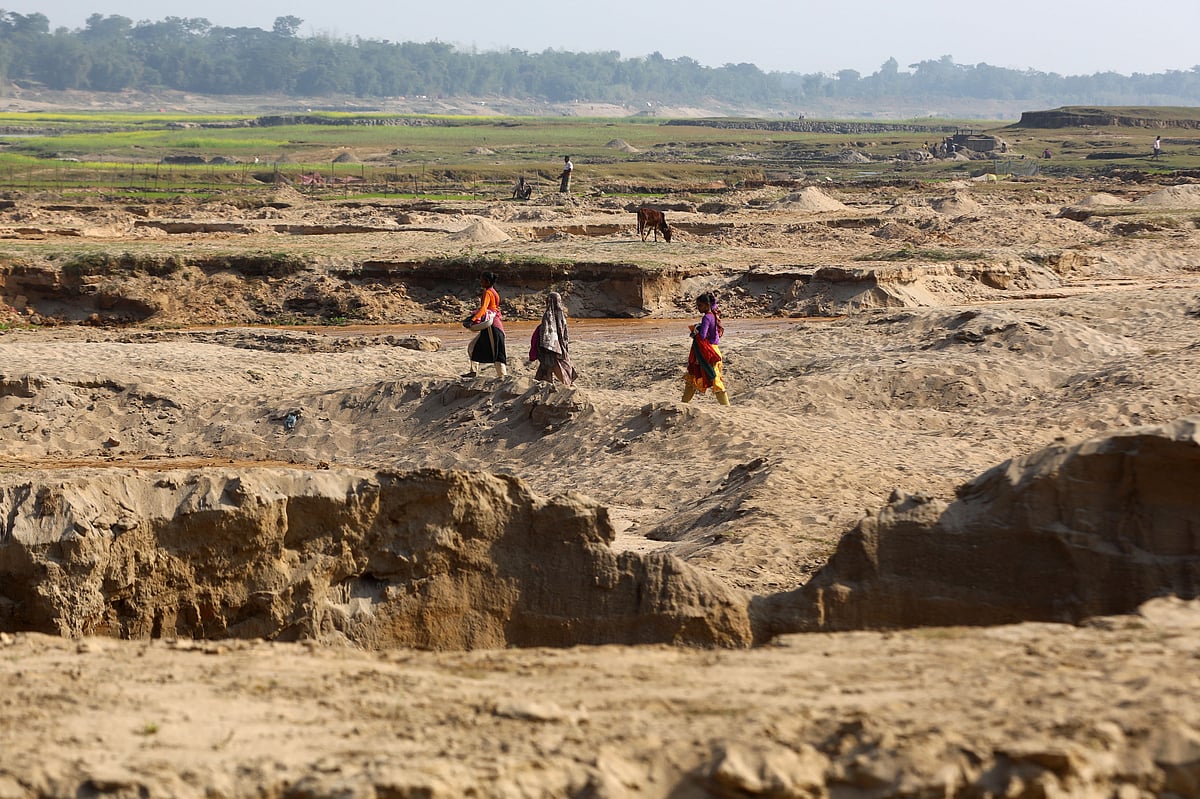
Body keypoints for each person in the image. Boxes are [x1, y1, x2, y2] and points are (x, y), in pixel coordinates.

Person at [682, 292, 729, 406]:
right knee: (696, 376)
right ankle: (683, 403)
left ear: (707, 305)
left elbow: (702, 335)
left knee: (711, 377)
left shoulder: (707, 317)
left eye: (700, 305)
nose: (698, 308)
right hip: (713, 349)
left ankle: (726, 406)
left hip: (708, 351)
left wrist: (695, 331)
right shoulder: (713, 315)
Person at [463, 271, 508, 378]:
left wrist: (472, 319)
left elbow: (483, 309)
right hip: (491, 325)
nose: (480, 282)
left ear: (487, 281)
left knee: (497, 353)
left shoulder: (487, 293)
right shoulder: (494, 292)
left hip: (493, 326)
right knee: (473, 347)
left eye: (482, 280)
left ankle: (503, 376)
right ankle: (473, 371)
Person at [529, 291, 577, 386]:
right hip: (559, 347)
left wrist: (549, 347)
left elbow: (548, 333)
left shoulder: (548, 315)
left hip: (551, 348)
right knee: (555, 367)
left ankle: (568, 385)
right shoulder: (561, 315)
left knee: (554, 366)